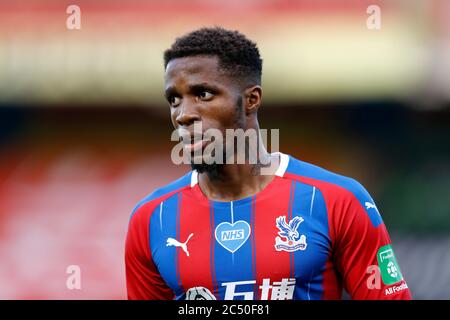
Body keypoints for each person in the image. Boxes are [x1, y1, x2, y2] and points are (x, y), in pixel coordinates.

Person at [125, 27, 411, 300]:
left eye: (203, 94)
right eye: (174, 99)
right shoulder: (151, 219)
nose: (183, 115)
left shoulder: (337, 200)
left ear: (251, 100)